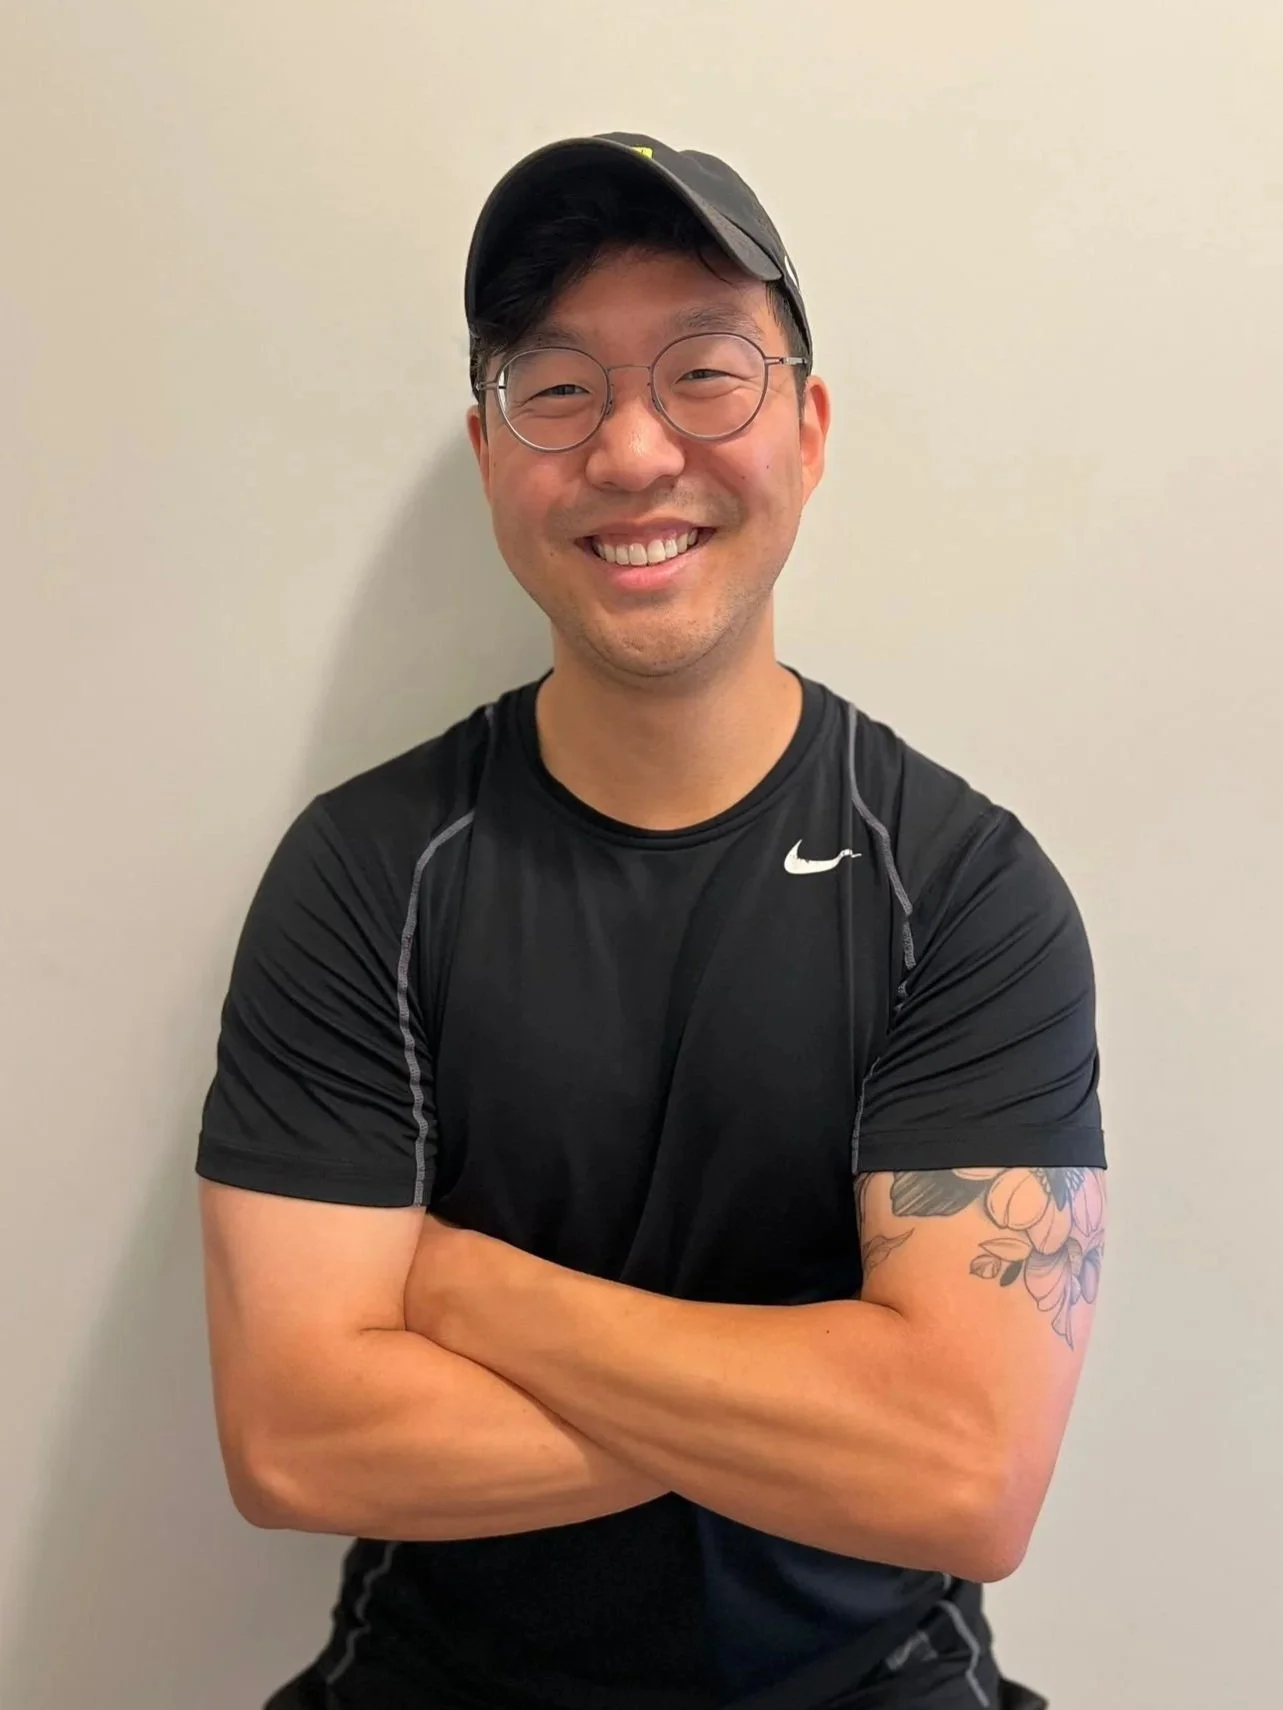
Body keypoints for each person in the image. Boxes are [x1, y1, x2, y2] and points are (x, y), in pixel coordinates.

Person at [197, 132, 1106, 1710]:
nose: (630, 452)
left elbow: (962, 1474)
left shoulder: (962, 892)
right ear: (490, 453)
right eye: (555, 388)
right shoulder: (363, 876)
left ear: (806, 431)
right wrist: (817, 1406)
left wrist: (470, 1290)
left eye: (703, 373)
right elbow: (296, 1436)